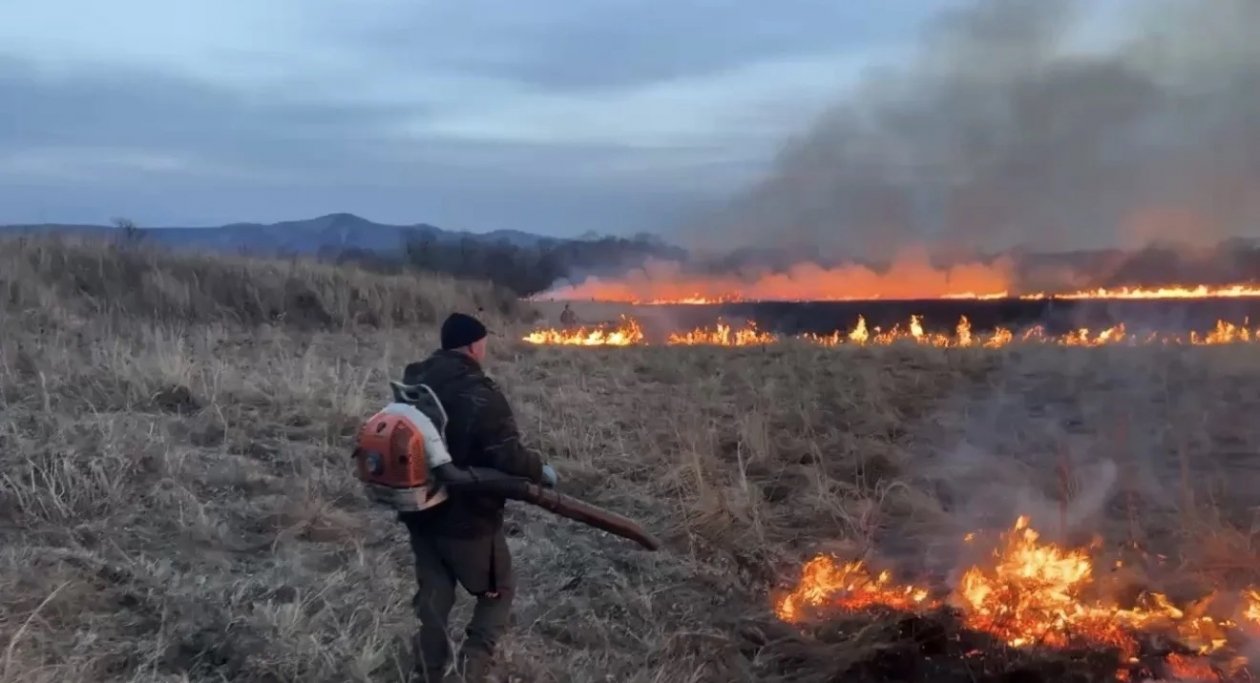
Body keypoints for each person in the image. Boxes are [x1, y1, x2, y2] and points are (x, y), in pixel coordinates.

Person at [399, 312, 558, 682]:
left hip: (420, 509)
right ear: (473, 345)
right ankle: (471, 669)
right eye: (484, 341)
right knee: (497, 592)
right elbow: (509, 457)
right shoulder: (479, 392)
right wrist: (542, 471)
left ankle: (429, 670)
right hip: (466, 518)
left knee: (435, 592)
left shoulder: (417, 378)